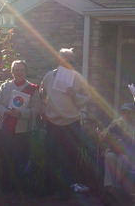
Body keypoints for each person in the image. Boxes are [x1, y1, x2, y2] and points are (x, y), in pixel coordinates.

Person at [40, 48, 91, 199]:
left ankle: (68, 188)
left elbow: (87, 98)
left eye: (70, 60)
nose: (67, 63)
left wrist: (75, 95)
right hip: (53, 123)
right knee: (51, 156)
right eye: (64, 60)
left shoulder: (78, 78)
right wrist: (43, 111)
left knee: (70, 157)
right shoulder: (49, 76)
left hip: (71, 123)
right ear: (58, 60)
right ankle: (50, 187)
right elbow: (41, 95)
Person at [0, 60, 40, 192]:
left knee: (21, 161)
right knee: (4, 160)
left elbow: (36, 110)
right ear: (12, 71)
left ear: (25, 72)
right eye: (16, 70)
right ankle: (4, 189)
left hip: (22, 131)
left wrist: (21, 113)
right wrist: (6, 111)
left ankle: (21, 190)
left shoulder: (33, 88)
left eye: (21, 70)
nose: (18, 72)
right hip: (3, 130)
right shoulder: (5, 86)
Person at [99, 103, 135, 204]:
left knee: (122, 159)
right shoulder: (116, 123)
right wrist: (108, 147)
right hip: (116, 152)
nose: (126, 115)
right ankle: (110, 189)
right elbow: (103, 137)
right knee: (109, 157)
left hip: (130, 156)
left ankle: (118, 190)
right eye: (124, 112)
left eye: (129, 113)